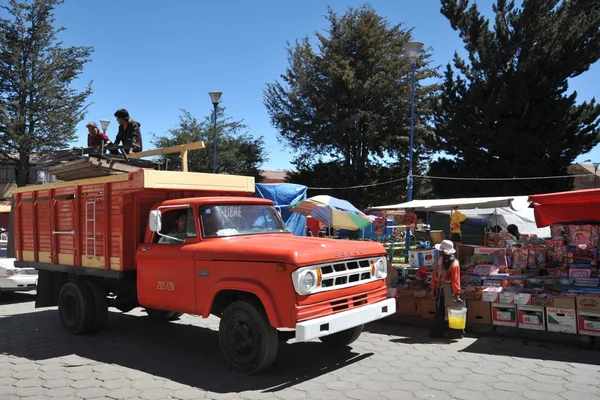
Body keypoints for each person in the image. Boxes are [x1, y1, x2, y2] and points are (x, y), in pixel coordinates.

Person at [430, 239, 464, 339]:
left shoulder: (438, 261)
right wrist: (457, 292)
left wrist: (433, 288)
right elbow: (455, 279)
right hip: (449, 289)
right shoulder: (455, 263)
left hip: (438, 288)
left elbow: (433, 277)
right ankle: (455, 333)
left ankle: (436, 333)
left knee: (439, 311)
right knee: (454, 311)